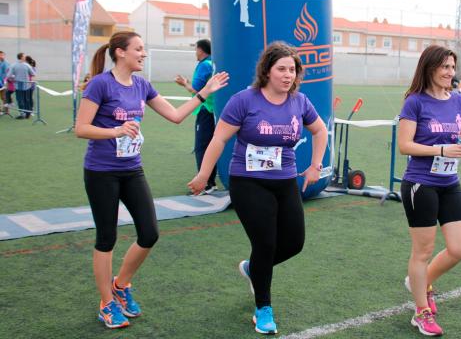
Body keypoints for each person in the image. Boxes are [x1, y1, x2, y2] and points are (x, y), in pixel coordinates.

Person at [74, 31, 228, 329]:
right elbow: (81, 128)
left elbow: (175, 115)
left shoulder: (142, 85)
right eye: (138, 49)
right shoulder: (100, 84)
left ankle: (121, 284)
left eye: (143, 49)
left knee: (149, 233)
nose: (143, 54)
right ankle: (106, 303)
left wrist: (205, 91)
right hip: (101, 171)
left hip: (132, 170)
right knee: (107, 238)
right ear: (120, 52)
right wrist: (115, 131)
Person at [187, 42, 328, 335]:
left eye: (292, 70)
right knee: (264, 243)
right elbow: (218, 139)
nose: (288, 75)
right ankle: (263, 308)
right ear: (266, 70)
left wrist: (315, 165)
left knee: (294, 242)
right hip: (248, 181)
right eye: (282, 69)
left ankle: (254, 269)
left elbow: (320, 130)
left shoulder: (300, 102)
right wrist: (203, 174)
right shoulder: (244, 100)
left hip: (285, 180)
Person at [397, 45, 461, 337]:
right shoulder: (414, 102)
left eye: (452, 67)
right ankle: (421, 312)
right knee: (423, 251)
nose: (450, 73)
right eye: (444, 67)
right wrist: (441, 148)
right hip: (421, 184)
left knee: (460, 248)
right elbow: (405, 145)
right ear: (429, 68)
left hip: (449, 183)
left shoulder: (457, 101)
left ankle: (420, 282)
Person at [175, 39, 218, 194]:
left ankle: (207, 183)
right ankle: (210, 180)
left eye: (196, 49)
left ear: (201, 50)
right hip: (215, 109)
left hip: (206, 109)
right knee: (212, 144)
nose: (195, 52)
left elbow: (196, 90)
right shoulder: (213, 62)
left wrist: (184, 83)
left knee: (202, 146)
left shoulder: (204, 65)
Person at [6, 53, 35, 119]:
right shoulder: (27, 65)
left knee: (20, 100)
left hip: (19, 86)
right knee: (26, 100)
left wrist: (13, 79)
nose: (25, 57)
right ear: (21, 57)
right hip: (26, 86)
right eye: (24, 56)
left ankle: (23, 114)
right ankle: (27, 114)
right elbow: (33, 74)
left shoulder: (14, 65)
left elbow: (8, 76)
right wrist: (31, 82)